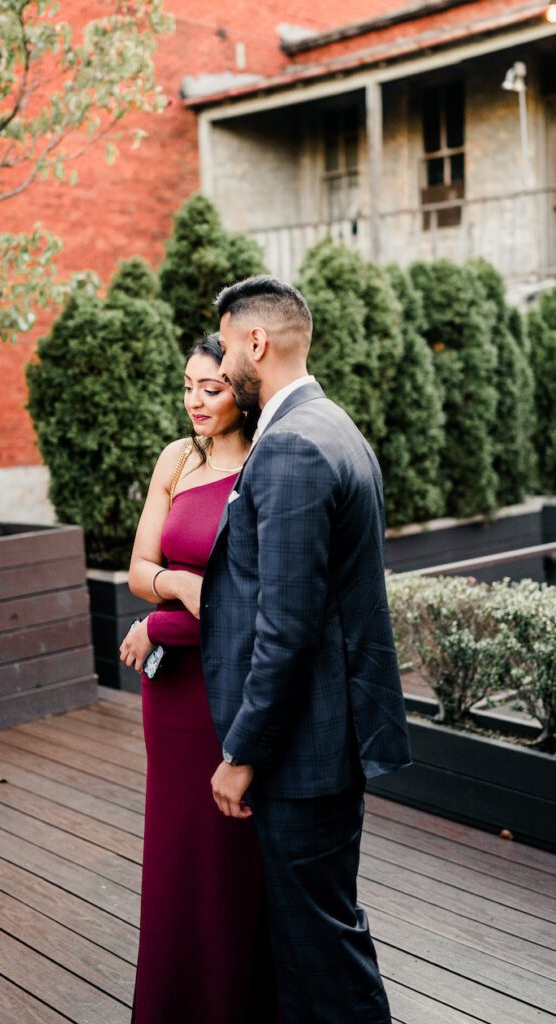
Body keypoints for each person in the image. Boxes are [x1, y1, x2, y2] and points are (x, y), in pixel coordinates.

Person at [200, 276, 413, 1024]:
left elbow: (285, 627)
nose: (222, 368)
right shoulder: (333, 425)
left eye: (225, 348)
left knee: (319, 948)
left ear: (255, 341)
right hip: (325, 737)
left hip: (303, 750)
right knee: (312, 937)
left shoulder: (289, 447)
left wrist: (241, 752)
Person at [120, 334, 277, 1024]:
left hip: (228, 688)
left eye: (210, 388)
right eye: (187, 386)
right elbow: (137, 570)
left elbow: (254, 606)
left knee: (228, 854)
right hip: (171, 695)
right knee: (175, 852)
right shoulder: (175, 459)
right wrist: (179, 583)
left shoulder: (267, 468)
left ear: (241, 388)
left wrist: (161, 618)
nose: (195, 401)